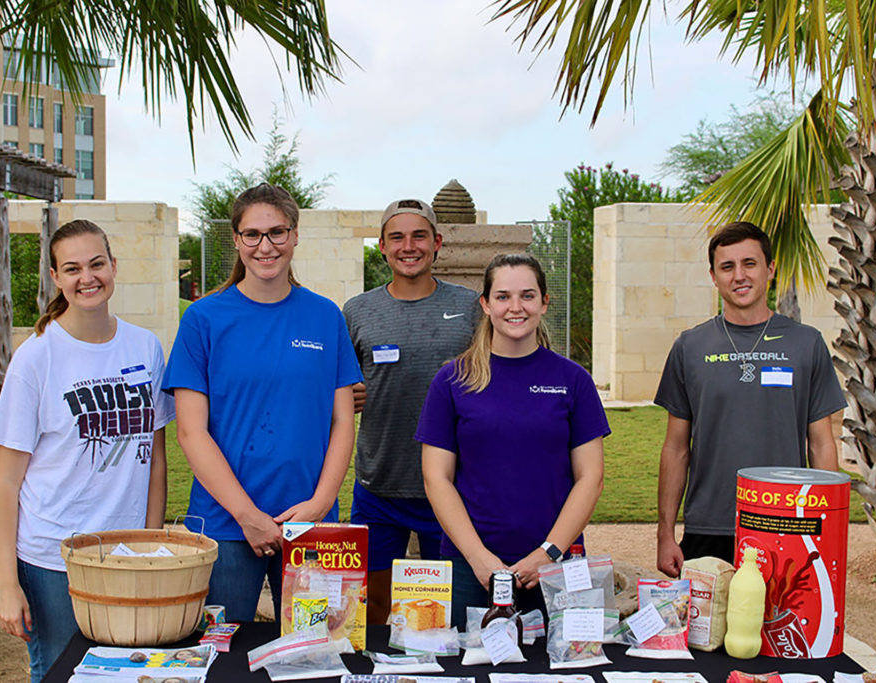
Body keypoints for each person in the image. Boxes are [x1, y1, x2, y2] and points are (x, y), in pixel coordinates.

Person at [164, 183, 362, 622]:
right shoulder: (203, 319)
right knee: (221, 655)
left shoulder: (325, 316)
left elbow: (343, 423)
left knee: (318, 652)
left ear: (294, 236)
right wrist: (247, 515)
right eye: (252, 234)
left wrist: (319, 503)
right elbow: (190, 431)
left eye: (277, 232)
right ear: (236, 240)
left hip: (312, 521)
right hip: (226, 523)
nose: (265, 246)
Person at [0, 220, 174, 682]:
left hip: (125, 552)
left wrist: (149, 543)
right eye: (71, 268)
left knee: (127, 672)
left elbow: (155, 457)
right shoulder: (36, 356)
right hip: (54, 558)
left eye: (96, 264)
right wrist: (7, 585)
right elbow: (7, 482)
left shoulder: (144, 347)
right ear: (55, 277)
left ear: (114, 266)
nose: (86, 277)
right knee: (59, 672)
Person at [416, 253, 609, 627]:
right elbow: (435, 478)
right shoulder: (452, 381)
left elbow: (591, 478)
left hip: (556, 565)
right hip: (471, 566)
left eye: (527, 295)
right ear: (486, 304)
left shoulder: (573, 380)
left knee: (561, 670)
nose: (515, 307)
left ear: (544, 302)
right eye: (503, 296)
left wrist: (549, 552)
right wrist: (478, 558)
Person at [654, 221, 846, 576]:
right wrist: (665, 532)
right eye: (727, 267)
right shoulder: (690, 347)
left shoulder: (806, 344)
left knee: (785, 630)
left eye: (750, 263)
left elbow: (821, 444)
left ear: (770, 269)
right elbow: (676, 448)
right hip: (709, 527)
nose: (739, 276)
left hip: (788, 522)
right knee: (708, 633)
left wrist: (827, 528)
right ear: (713, 276)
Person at [342, 198, 480, 624]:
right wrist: (346, 396)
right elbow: (337, 388)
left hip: (455, 488)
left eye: (419, 235)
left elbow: (497, 375)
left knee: (448, 614)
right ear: (381, 246)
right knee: (377, 611)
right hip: (379, 485)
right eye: (397, 237)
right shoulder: (357, 311)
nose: (409, 246)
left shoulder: (472, 307)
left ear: (437, 242)